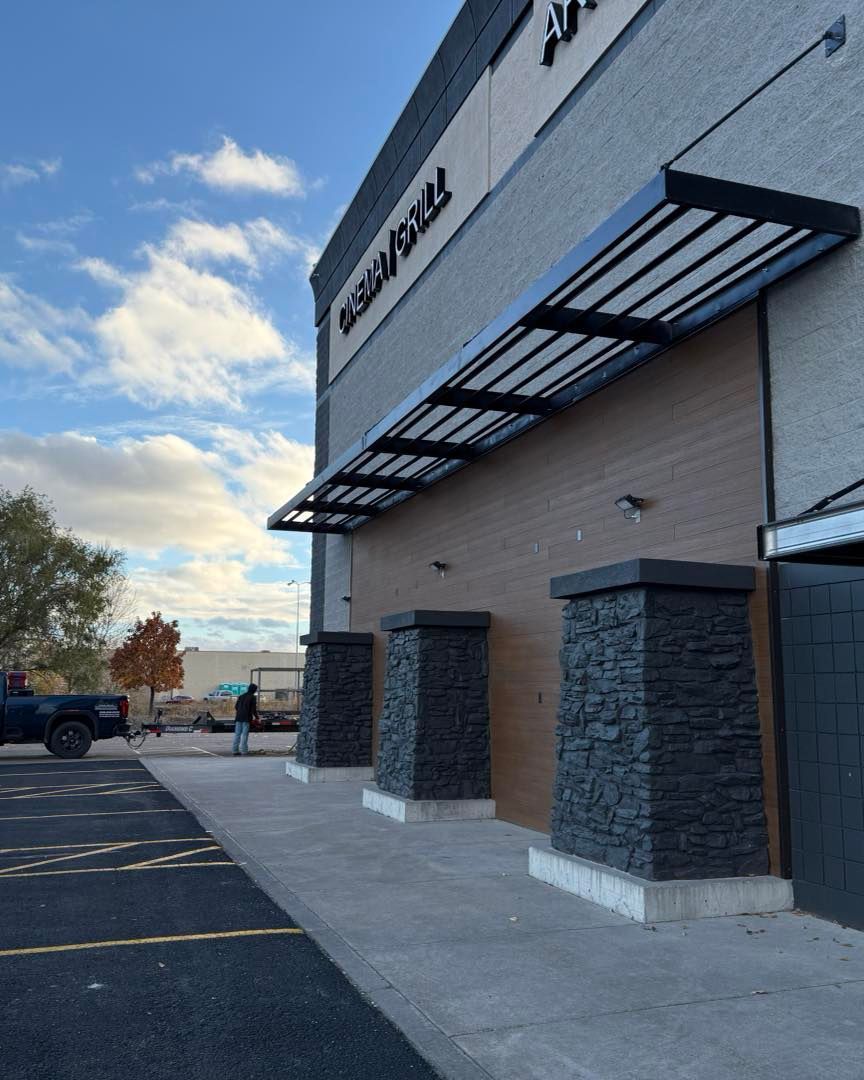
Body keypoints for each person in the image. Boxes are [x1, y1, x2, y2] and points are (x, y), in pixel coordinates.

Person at [232, 683, 259, 756]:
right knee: (244, 735)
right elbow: (254, 709)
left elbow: (236, 707)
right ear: (254, 690)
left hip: (238, 718)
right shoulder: (252, 697)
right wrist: (257, 718)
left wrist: (240, 712)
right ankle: (244, 751)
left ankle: (235, 750)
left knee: (237, 734)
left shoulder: (241, 696)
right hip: (246, 718)